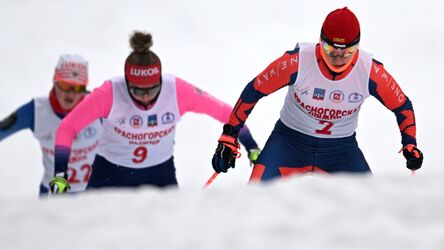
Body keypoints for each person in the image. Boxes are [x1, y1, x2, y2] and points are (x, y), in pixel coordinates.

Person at [211, 7, 423, 182]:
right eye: (331, 50)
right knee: (255, 197)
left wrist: (410, 143)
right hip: (289, 141)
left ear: (357, 48)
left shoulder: (370, 71)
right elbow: (254, 90)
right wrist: (229, 137)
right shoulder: (297, 62)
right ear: (320, 41)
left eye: (347, 53)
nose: (338, 59)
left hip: (341, 150)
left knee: (371, 207)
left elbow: (402, 106)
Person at [49, 31, 260, 193]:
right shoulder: (110, 93)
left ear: (160, 81)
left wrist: (251, 146)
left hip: (160, 175)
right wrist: (60, 174)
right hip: (110, 175)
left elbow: (226, 112)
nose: (145, 97)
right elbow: (67, 127)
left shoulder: (176, 91)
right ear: (127, 83)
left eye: (152, 90)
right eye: (137, 91)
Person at [0, 55, 102, 195]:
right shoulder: (36, 111)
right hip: (53, 195)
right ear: (54, 81)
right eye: (65, 86)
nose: (71, 94)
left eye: (77, 87)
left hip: (93, 195)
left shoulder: (99, 106)